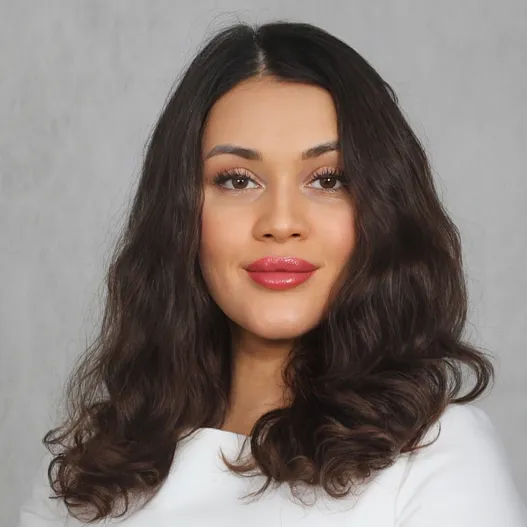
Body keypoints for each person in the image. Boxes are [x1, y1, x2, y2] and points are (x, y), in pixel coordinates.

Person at [16, 20, 526, 527]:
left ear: (382, 208)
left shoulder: (437, 456)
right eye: (238, 181)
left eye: (328, 179)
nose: (281, 223)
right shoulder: (88, 468)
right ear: (180, 212)